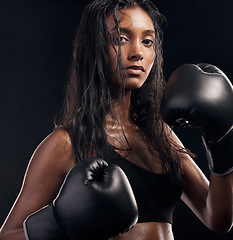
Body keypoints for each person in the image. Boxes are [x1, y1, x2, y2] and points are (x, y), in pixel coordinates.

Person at [0, 0, 233, 239]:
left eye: (147, 41)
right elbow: (8, 235)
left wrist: (222, 139)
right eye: (121, 39)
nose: (137, 52)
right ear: (94, 48)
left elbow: (218, 218)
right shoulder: (66, 143)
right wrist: (59, 221)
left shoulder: (160, 135)